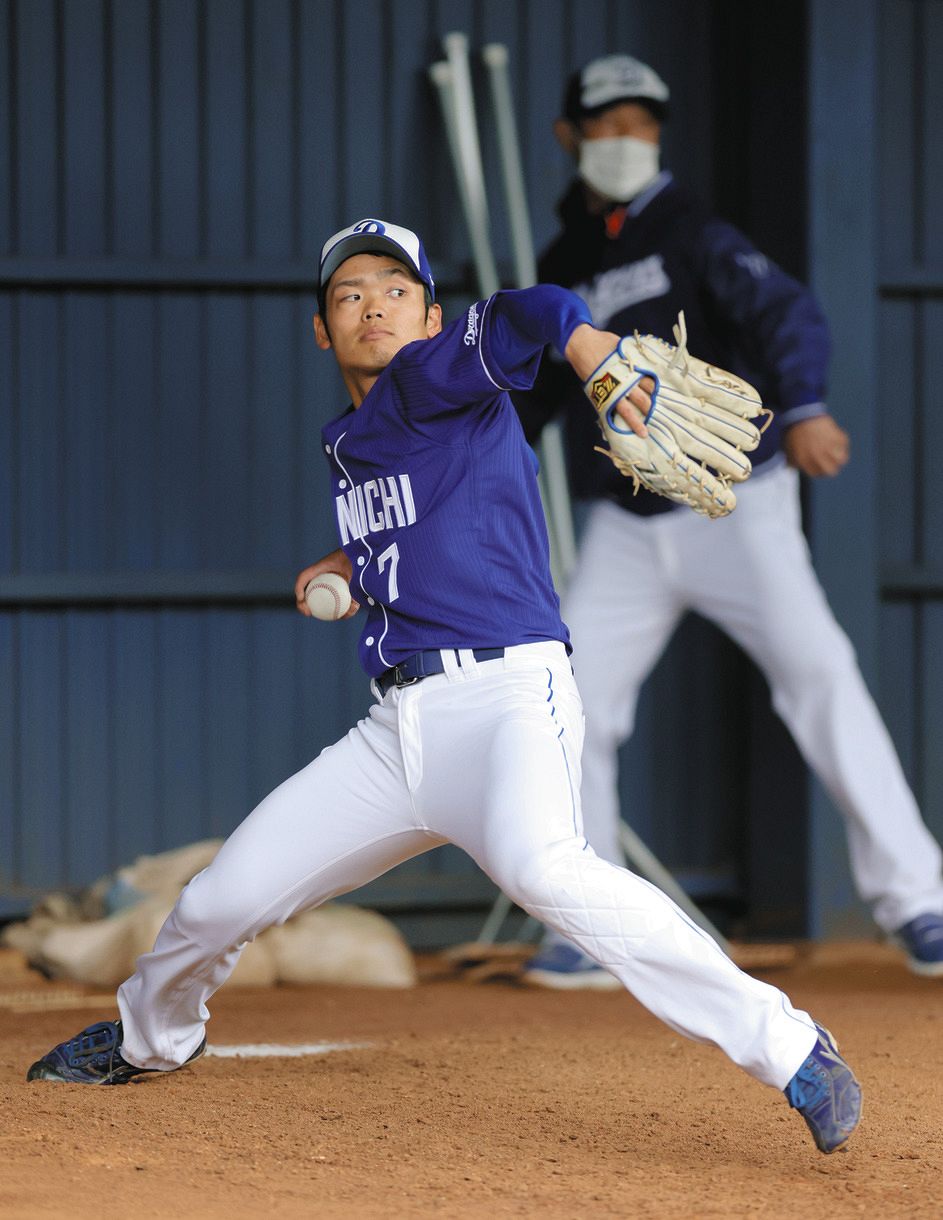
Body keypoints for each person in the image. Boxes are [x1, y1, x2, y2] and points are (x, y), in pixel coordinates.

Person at [26, 217, 861, 1154]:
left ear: (429, 315)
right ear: (320, 330)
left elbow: (529, 312)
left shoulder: (432, 374)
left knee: (547, 867)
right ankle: (152, 1039)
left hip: (508, 701)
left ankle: (790, 1047)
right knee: (221, 899)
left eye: (394, 290)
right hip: (397, 733)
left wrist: (588, 348)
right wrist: (347, 560)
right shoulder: (353, 437)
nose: (371, 305)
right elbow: (422, 519)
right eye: (348, 295)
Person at [514, 53, 943, 990]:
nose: (625, 139)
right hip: (628, 528)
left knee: (820, 675)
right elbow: (535, 399)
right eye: (606, 123)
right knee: (568, 704)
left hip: (736, 506)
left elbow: (786, 311)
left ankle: (917, 900)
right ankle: (593, 927)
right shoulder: (564, 263)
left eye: (641, 122)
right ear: (567, 136)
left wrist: (806, 406)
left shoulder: (692, 229)